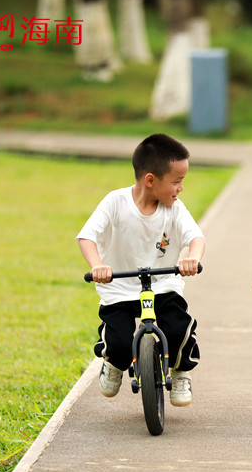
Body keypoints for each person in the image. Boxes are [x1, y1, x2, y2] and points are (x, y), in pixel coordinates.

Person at [77, 133, 205, 407]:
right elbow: (87, 236)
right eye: (177, 181)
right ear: (150, 180)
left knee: (178, 331)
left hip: (162, 285)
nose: (181, 188)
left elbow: (196, 237)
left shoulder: (175, 209)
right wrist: (97, 265)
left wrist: (191, 258)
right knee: (120, 342)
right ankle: (113, 363)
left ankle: (180, 373)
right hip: (120, 287)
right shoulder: (115, 202)